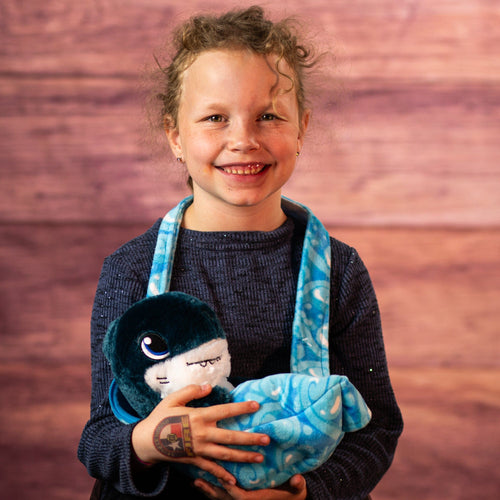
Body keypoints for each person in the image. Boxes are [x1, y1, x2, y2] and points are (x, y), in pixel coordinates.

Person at [78, 6, 403, 500]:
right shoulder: (131, 269)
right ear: (175, 137)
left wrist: (308, 492)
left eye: (268, 116)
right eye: (214, 118)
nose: (243, 140)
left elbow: (376, 429)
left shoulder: (340, 270)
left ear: (302, 128)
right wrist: (158, 439)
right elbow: (100, 440)